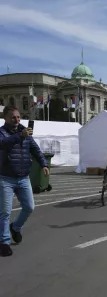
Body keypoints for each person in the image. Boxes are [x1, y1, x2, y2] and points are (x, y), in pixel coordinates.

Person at [0, 105, 49, 257]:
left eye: (18, 117)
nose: (16, 120)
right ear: (5, 118)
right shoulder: (2, 132)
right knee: (5, 212)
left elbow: (35, 149)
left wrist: (43, 164)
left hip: (23, 177)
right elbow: (3, 144)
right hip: (6, 178)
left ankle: (15, 227)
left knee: (29, 207)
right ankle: (4, 242)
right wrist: (20, 136)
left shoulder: (25, 132)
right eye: (13, 117)